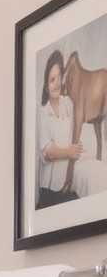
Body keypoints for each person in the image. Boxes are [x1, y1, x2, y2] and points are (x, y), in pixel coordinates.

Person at [37, 48, 107, 206]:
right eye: (51, 80)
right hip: (50, 188)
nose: (56, 84)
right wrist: (69, 152)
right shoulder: (43, 112)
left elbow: (81, 122)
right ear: (46, 84)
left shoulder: (68, 104)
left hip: (67, 186)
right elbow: (47, 152)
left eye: (58, 78)